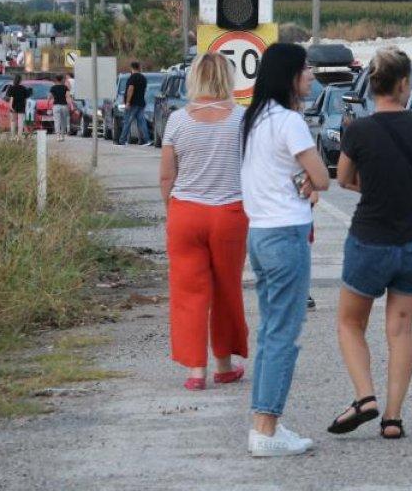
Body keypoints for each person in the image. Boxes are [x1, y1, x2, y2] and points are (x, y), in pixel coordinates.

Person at [329, 48, 412, 440]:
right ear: (404, 83)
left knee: (350, 323)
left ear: (372, 85)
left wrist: (372, 186)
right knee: (402, 330)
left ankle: (365, 397)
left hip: (370, 240)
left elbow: (343, 178)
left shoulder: (358, 130)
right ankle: (392, 418)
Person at [240, 43, 329, 458]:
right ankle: (266, 429)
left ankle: (264, 423)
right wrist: (310, 180)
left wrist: (303, 180)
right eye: (305, 68)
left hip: (259, 232)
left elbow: (277, 174)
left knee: (269, 332)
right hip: (286, 234)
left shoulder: (254, 118)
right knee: (283, 335)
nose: (311, 74)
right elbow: (322, 177)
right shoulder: (290, 121)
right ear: (289, 75)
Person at [160, 53, 248, 391]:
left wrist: (172, 210)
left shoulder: (177, 120)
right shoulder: (241, 119)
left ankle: (196, 370)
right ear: (227, 78)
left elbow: (166, 176)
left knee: (188, 292)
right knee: (227, 289)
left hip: (186, 213)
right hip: (229, 212)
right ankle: (224, 365)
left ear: (194, 78)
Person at [116, 61, 151, 146]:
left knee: (127, 121)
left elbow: (130, 89)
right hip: (141, 103)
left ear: (132, 68)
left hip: (133, 104)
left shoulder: (132, 78)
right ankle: (147, 140)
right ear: (139, 67)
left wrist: (128, 102)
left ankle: (122, 140)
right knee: (142, 122)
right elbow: (144, 90)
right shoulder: (143, 78)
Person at [5, 74, 32, 139]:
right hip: (21, 106)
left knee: (13, 121)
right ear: (20, 80)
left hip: (13, 106)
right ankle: (19, 136)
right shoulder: (23, 88)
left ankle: (13, 136)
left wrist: (10, 106)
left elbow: (10, 98)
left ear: (14, 80)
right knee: (21, 122)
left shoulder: (11, 88)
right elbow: (26, 97)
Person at [49, 74, 71, 141]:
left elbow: (50, 96)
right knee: (63, 121)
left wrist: (48, 102)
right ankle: (62, 136)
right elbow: (68, 97)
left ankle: (58, 136)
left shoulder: (53, 88)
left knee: (57, 121)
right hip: (64, 106)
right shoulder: (65, 87)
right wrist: (69, 105)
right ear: (62, 80)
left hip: (56, 106)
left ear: (56, 79)